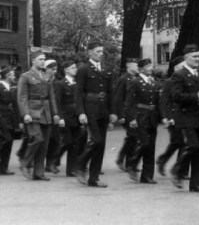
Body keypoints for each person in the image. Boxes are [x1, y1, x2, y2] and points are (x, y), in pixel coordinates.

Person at [169, 44, 199, 193]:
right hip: (186, 116)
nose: (197, 59)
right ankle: (178, 170)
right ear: (186, 57)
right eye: (194, 56)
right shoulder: (179, 75)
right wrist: (196, 96)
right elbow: (176, 96)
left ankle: (196, 184)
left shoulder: (197, 75)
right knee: (193, 145)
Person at [75, 42, 117, 188]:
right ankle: (80, 164)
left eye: (102, 52)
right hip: (90, 108)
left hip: (103, 108)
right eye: (98, 51)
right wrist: (81, 112)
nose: (101, 54)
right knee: (96, 140)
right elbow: (78, 92)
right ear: (90, 53)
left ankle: (94, 178)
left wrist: (112, 112)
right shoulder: (83, 69)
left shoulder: (106, 69)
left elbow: (111, 92)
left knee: (101, 145)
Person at [17, 51, 58, 181]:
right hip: (32, 112)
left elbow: (51, 97)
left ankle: (38, 172)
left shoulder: (47, 76)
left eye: (44, 59)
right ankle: (25, 162)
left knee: (44, 144)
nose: (43, 61)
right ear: (33, 60)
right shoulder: (26, 76)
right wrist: (25, 114)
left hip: (46, 113)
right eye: (40, 59)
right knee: (37, 138)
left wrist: (55, 113)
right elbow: (22, 97)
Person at [124, 58, 162, 184]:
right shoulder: (135, 82)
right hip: (141, 116)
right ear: (141, 69)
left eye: (151, 65)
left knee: (151, 147)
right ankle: (132, 164)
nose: (151, 67)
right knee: (145, 143)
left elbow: (158, 101)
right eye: (148, 66)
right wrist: (132, 118)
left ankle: (147, 176)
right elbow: (130, 102)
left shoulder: (154, 82)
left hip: (152, 117)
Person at [155, 56, 186, 177]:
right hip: (173, 116)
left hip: (184, 115)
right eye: (183, 66)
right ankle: (162, 160)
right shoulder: (169, 82)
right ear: (176, 68)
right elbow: (164, 101)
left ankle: (180, 169)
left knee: (184, 143)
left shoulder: (184, 79)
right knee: (177, 142)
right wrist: (167, 117)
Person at [53, 61, 83, 177]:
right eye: (72, 68)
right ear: (66, 70)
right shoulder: (61, 84)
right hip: (66, 116)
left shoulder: (78, 83)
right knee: (68, 141)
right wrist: (60, 117)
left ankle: (71, 169)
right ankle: (54, 160)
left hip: (76, 116)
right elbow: (58, 102)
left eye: (75, 67)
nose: (75, 69)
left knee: (75, 143)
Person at [113, 58, 140, 172]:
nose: (137, 67)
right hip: (127, 112)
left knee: (133, 137)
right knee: (132, 136)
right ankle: (128, 163)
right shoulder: (123, 79)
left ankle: (122, 159)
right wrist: (121, 115)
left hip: (136, 111)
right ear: (129, 66)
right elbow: (118, 98)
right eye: (135, 65)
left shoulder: (137, 78)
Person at [42, 59, 61, 174]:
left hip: (56, 113)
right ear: (47, 69)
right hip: (45, 113)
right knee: (45, 140)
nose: (54, 71)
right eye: (52, 69)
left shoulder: (57, 81)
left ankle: (51, 163)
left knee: (55, 140)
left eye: (55, 69)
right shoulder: (43, 80)